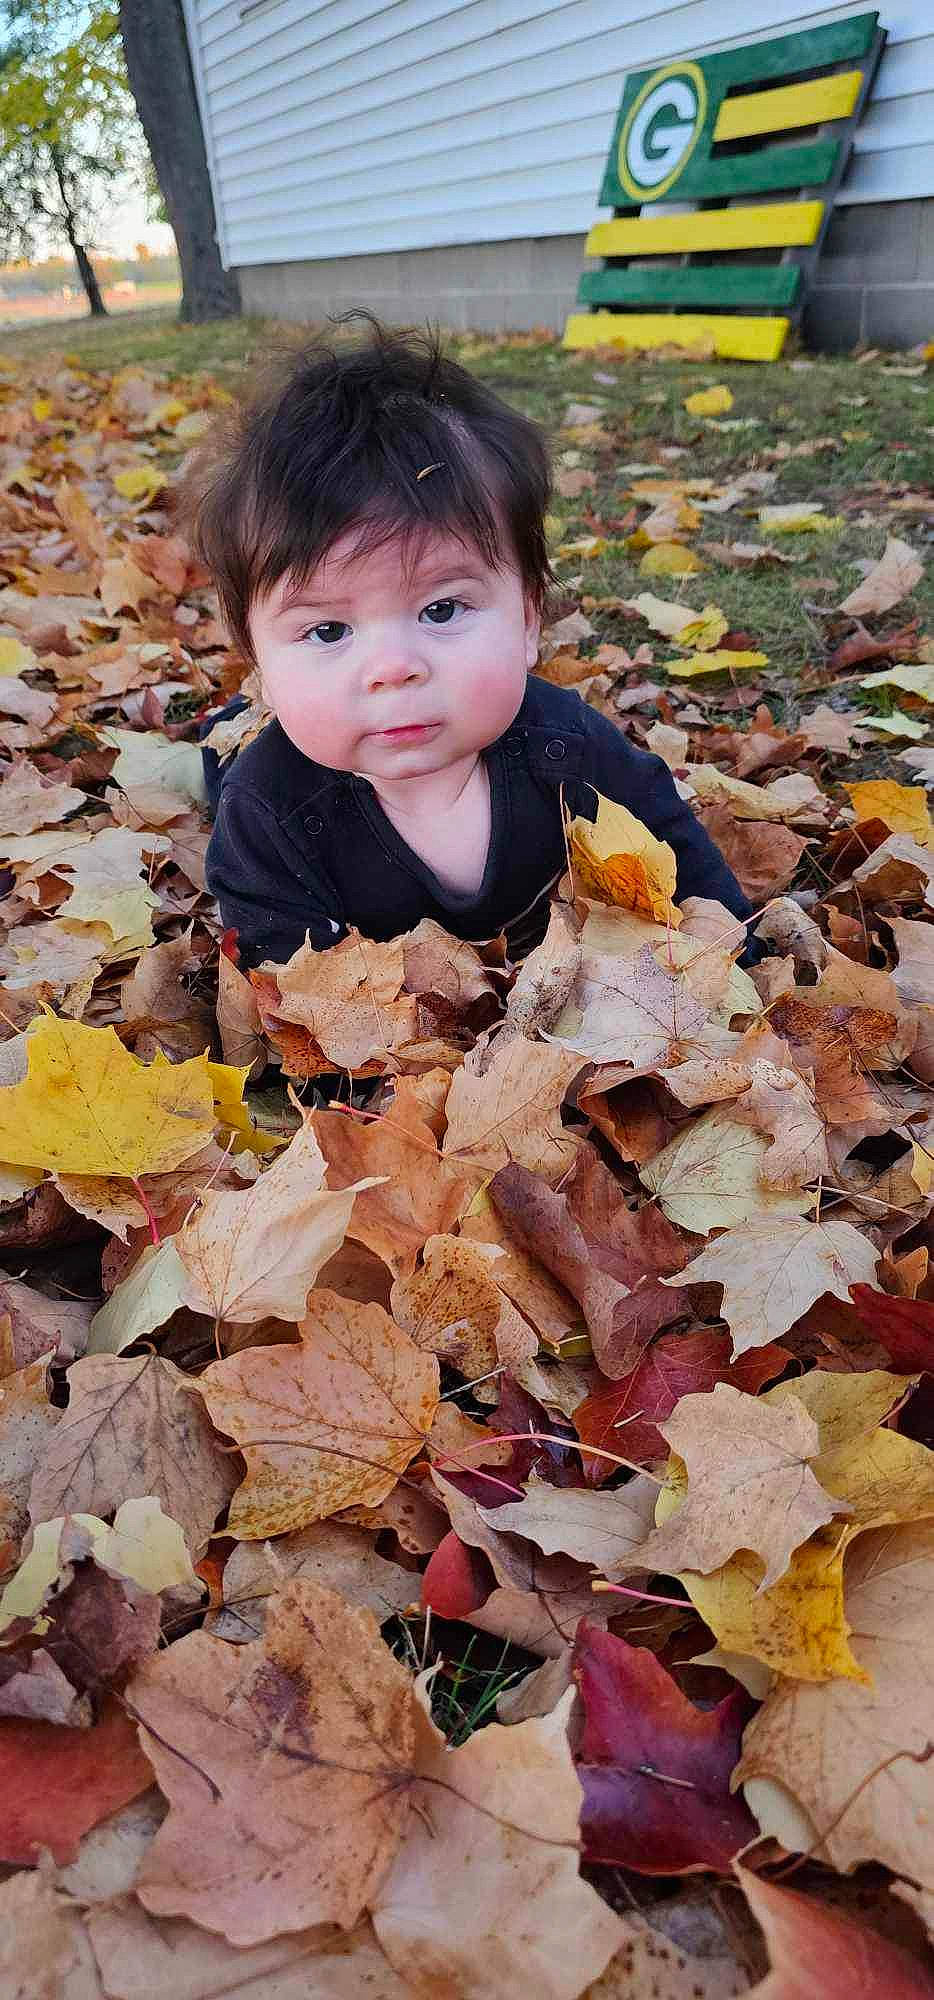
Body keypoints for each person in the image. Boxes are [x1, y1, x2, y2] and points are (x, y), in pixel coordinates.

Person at [184, 313, 753, 972]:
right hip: (258, 770)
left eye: (442, 608)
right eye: (328, 630)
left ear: (529, 619)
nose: (394, 668)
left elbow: (675, 848)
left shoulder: (565, 746)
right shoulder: (268, 809)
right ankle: (224, 725)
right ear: (259, 658)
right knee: (223, 762)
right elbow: (285, 980)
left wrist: (736, 962)